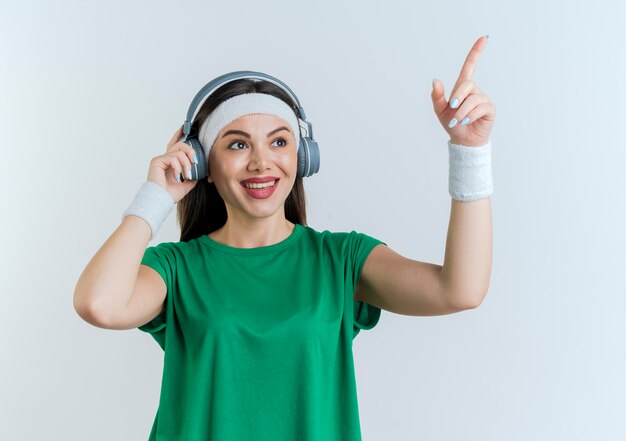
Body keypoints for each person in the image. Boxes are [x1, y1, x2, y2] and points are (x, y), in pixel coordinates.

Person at [74, 35, 495, 441]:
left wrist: (470, 152)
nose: (262, 162)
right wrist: (156, 198)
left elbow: (459, 290)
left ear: (302, 156)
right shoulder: (176, 269)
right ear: (203, 163)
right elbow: (99, 304)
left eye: (279, 141)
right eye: (237, 145)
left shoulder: (340, 260)